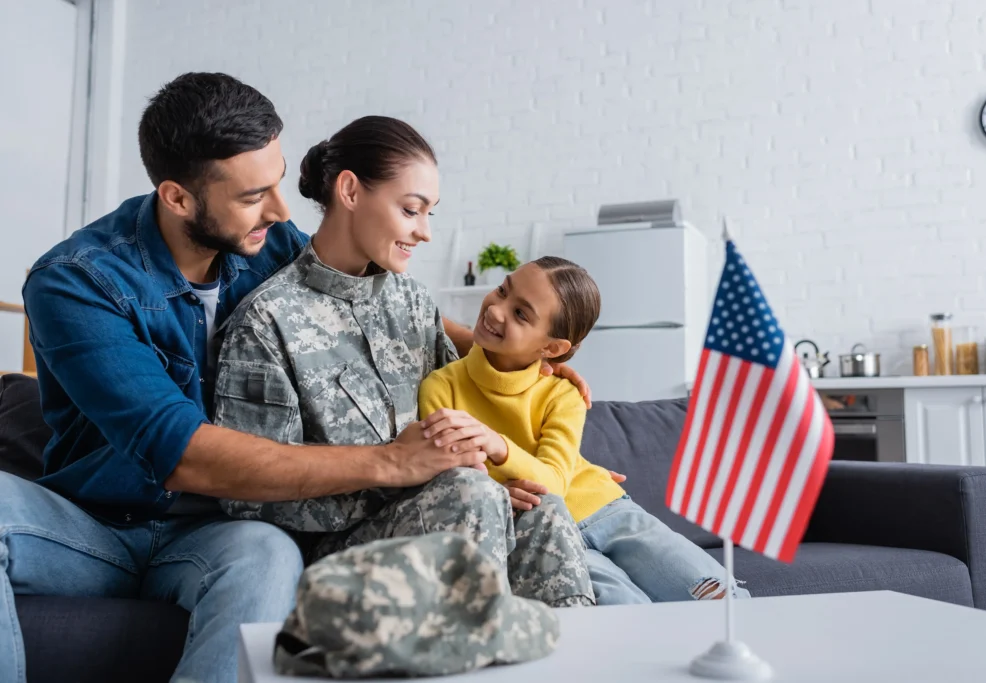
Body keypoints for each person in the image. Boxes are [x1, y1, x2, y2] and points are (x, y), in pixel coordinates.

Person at [0, 72, 592, 683]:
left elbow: (361, 296)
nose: (283, 211)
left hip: (217, 534)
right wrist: (390, 462)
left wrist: (516, 353)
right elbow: (177, 451)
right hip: (98, 525)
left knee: (264, 555)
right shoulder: (75, 283)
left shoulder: (265, 240)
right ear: (178, 198)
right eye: (255, 195)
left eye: (279, 181)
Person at [211, 116, 595, 609]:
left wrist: (541, 369)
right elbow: (245, 494)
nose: (426, 232)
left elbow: (472, 399)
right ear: (349, 191)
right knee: (470, 494)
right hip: (335, 557)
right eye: (412, 210)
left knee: (543, 509)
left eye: (429, 213)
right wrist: (392, 469)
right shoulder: (267, 322)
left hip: (448, 519)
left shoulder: (412, 303)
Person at [417, 257, 752, 604]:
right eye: (503, 290)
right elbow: (460, 483)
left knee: (719, 595)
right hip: (544, 535)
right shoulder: (441, 388)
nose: (497, 310)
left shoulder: (562, 392)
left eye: (521, 314)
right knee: (623, 610)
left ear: (552, 348)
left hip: (608, 509)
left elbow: (557, 482)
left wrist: (496, 445)